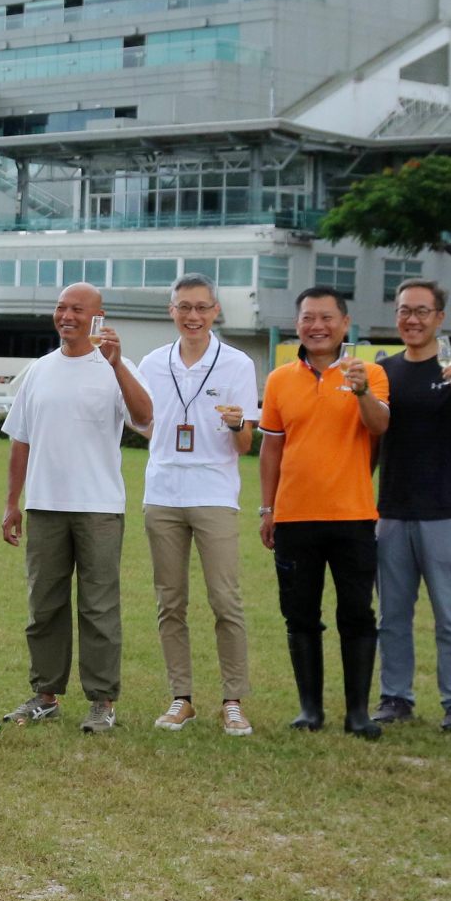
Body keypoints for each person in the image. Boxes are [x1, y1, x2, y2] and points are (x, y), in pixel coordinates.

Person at [0, 284, 153, 734]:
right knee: (43, 606)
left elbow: (145, 420)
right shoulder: (39, 371)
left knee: (98, 607)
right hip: (45, 504)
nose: (66, 316)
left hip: (99, 507)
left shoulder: (116, 367)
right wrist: (12, 503)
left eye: (77, 309)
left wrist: (118, 365)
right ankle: (45, 695)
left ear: (98, 317)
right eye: (61, 308)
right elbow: (20, 442)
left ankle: (102, 700)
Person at [256, 286, 391, 739]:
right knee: (300, 615)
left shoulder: (369, 372)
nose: (317, 326)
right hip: (294, 517)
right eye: (308, 318)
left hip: (353, 515)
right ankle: (310, 710)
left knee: (357, 614)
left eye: (327, 318)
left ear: (345, 324)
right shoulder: (279, 379)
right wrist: (267, 508)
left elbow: (380, 426)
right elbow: (271, 449)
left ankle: (358, 713)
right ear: (297, 324)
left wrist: (362, 392)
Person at [132, 274, 260, 736]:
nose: (193, 316)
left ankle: (233, 700)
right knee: (171, 602)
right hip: (162, 492)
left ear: (215, 312)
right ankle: (180, 697)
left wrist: (236, 423)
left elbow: (245, 444)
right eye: (185, 307)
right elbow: (144, 425)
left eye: (202, 308)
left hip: (214, 494)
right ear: (172, 311)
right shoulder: (152, 362)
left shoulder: (237, 364)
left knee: (226, 601)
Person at [373, 280, 451, 734]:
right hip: (393, 510)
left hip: (446, 511)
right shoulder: (384, 370)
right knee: (393, 616)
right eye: (405, 310)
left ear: (440, 318)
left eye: (422, 311)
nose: (412, 319)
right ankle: (395, 696)